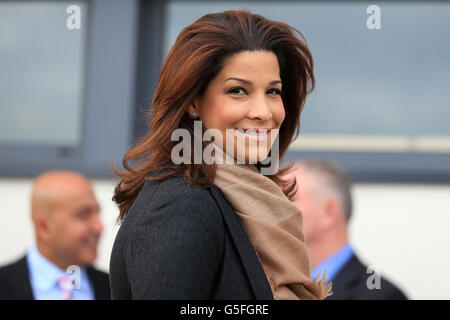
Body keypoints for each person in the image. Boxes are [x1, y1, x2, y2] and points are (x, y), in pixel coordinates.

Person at [110, 9, 331, 300]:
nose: (263, 112)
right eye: (238, 90)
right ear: (192, 102)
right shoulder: (180, 205)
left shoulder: (249, 200)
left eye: (273, 92)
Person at [283, 159, 408, 300]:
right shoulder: (270, 285)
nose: (270, 210)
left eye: (286, 198)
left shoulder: (381, 296)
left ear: (328, 212)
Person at [0, 170, 110, 300]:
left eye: (97, 213)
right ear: (44, 228)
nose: (99, 227)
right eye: (84, 215)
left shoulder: (114, 287)